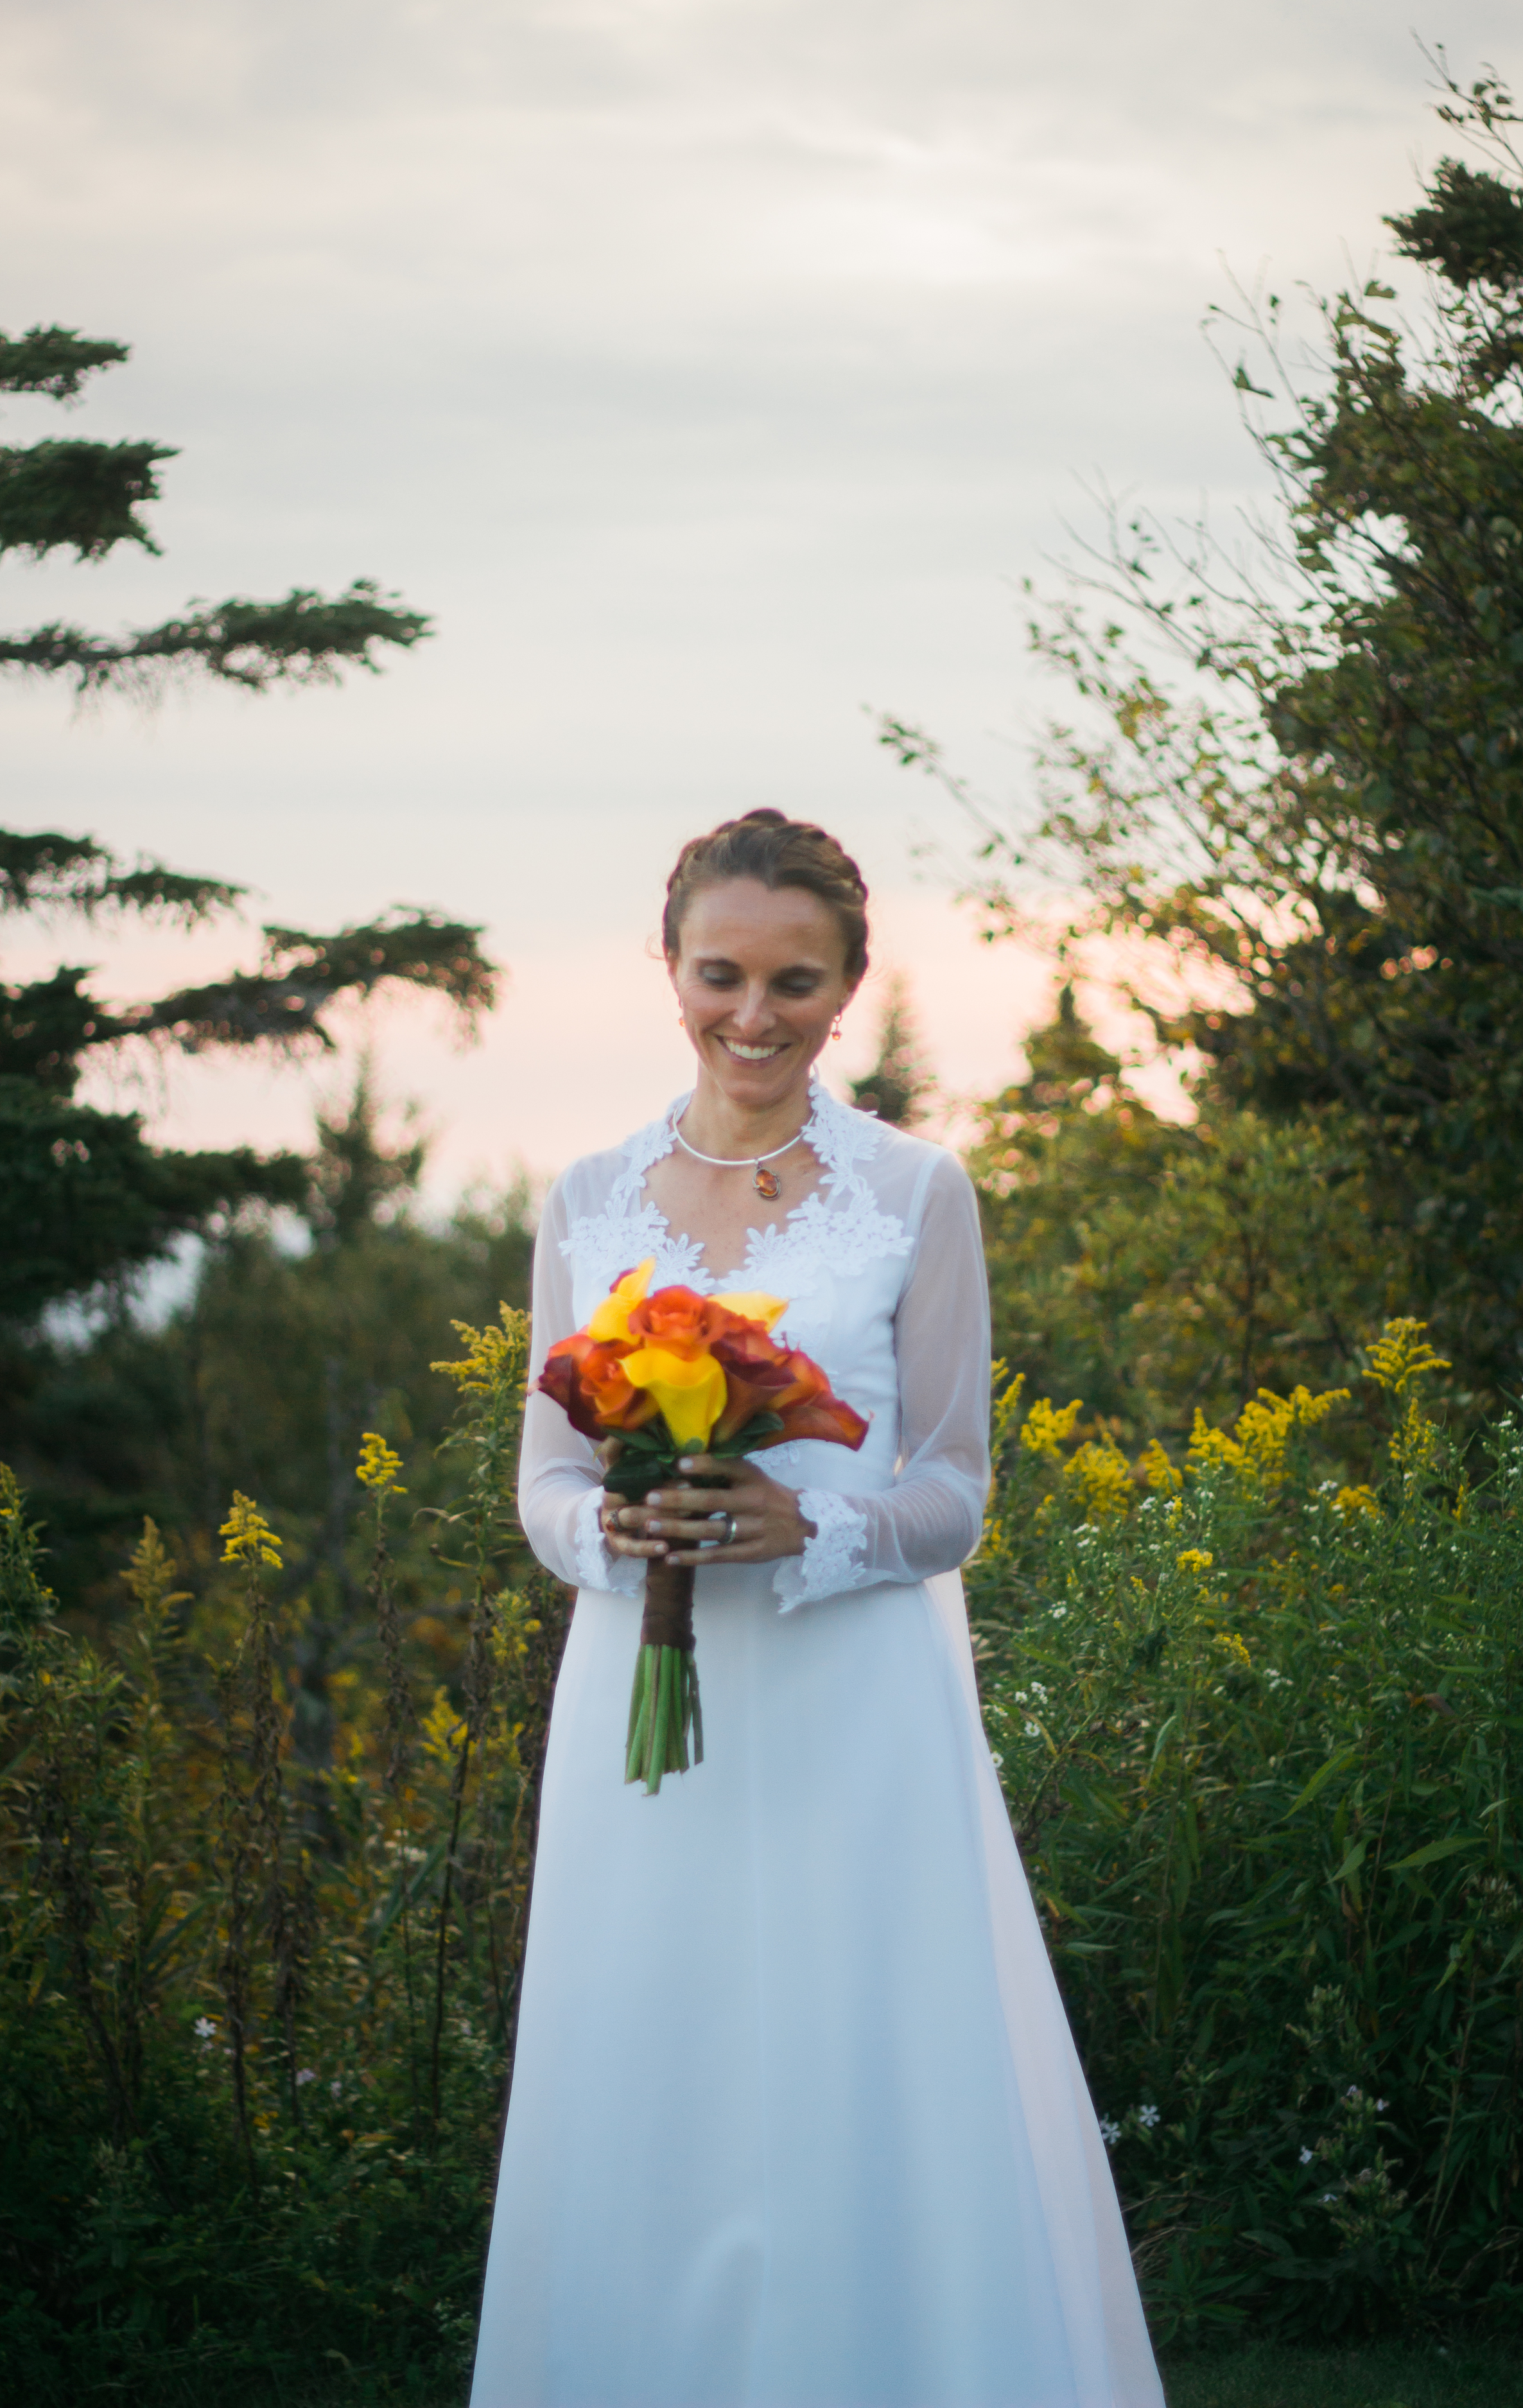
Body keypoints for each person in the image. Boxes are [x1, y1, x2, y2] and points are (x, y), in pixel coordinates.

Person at [469, 810, 1165, 2408]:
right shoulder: (585, 1197)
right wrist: (621, 1525)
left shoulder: (917, 1191)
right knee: (658, 2047)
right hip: (643, 1708)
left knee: (861, 2057)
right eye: (720, 975)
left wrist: (802, 1523)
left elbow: (952, 1491)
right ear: (668, 970)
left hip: (855, 1702)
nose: (753, 1015)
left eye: (795, 981)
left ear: (847, 987)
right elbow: (541, 1485)